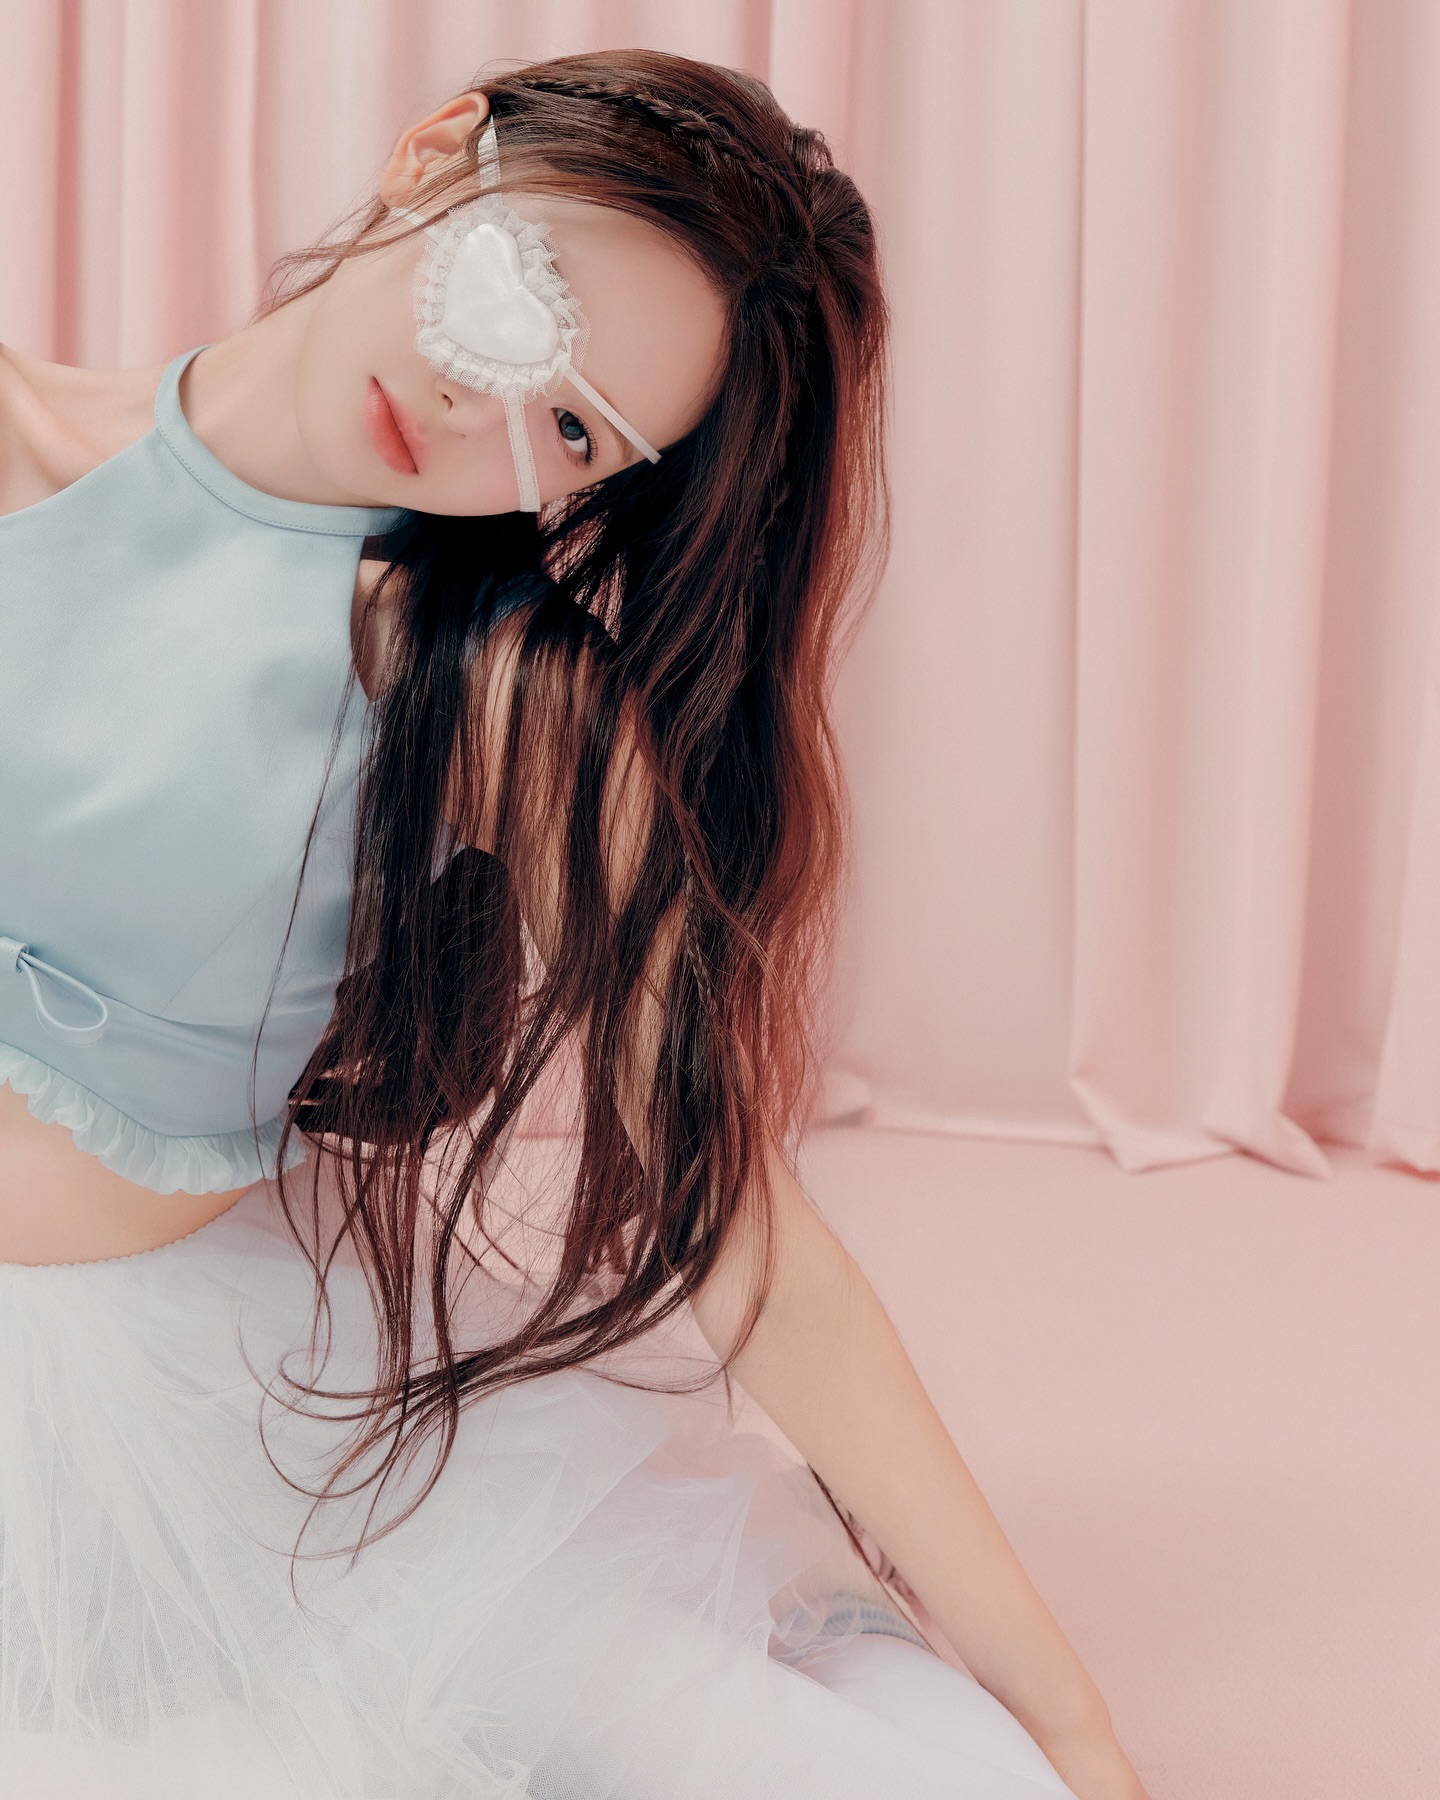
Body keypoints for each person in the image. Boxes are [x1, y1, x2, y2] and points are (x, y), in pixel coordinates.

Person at [0, 47, 1153, 1800]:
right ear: (432, 156)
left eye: (571, 431)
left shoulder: (492, 693)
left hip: (137, 1420)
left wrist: (1072, 1723)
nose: (487, 417)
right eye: (516, 299)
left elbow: (742, 1233)